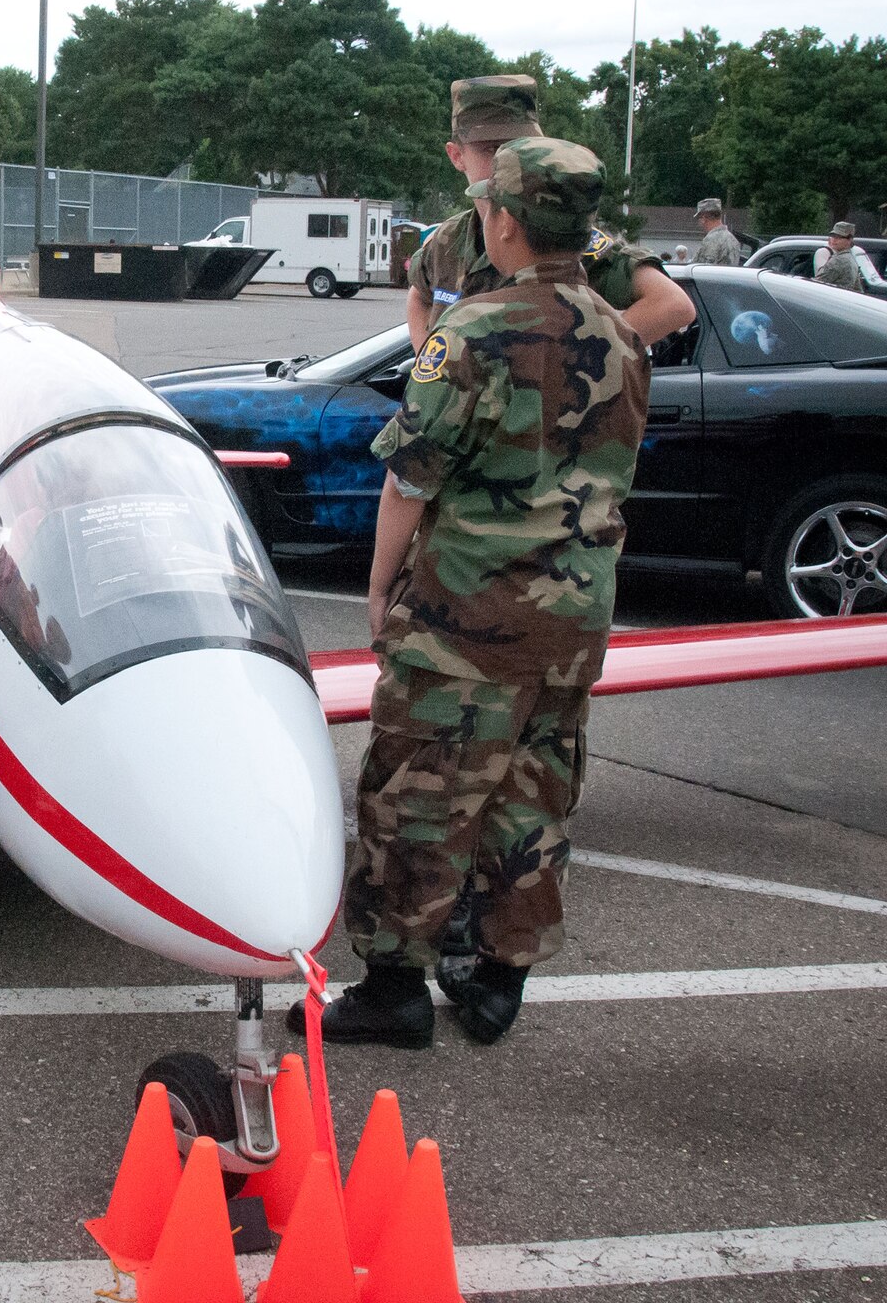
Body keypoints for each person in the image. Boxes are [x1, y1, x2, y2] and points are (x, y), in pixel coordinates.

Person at [297, 138, 649, 1051]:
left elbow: (411, 477)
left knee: (419, 794)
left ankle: (394, 992)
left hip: (467, 617)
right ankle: (497, 984)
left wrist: (379, 590)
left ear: (505, 221)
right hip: (573, 620)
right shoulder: (619, 331)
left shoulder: (477, 330)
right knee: (534, 794)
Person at [405, 76, 694, 351]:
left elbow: (672, 304)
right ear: (457, 156)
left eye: (520, 145)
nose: (507, 158)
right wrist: (428, 363)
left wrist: (584, 357)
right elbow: (419, 296)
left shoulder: (560, 235)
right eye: (491, 148)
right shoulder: (448, 239)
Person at [814, 222, 882, 292]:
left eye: (839, 237)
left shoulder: (839, 260)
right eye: (833, 236)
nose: (834, 239)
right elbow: (858, 291)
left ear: (849, 240)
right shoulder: (851, 259)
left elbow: (817, 284)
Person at [692, 197, 742, 265]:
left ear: (703, 218)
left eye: (699, 218)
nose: (699, 222)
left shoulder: (710, 240)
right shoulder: (733, 240)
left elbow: (703, 270)